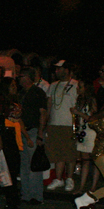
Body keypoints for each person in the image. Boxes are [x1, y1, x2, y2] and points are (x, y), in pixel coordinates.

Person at [0, 76, 32, 209]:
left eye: (15, 85)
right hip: (4, 135)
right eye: (12, 86)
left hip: (12, 135)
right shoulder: (0, 100)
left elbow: (18, 120)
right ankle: (11, 201)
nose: (15, 88)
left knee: (12, 169)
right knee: (9, 169)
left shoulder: (13, 100)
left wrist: (27, 137)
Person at [44, 60, 79, 192]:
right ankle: (58, 178)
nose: (57, 71)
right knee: (57, 153)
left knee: (70, 152)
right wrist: (46, 122)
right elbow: (49, 105)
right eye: (56, 69)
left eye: (60, 69)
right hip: (54, 123)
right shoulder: (53, 85)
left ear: (67, 70)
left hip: (69, 123)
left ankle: (69, 178)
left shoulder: (76, 85)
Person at [18, 67, 48, 205]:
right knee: (24, 165)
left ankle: (36, 196)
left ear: (28, 77)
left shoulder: (37, 92)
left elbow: (43, 113)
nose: (19, 79)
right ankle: (26, 194)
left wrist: (40, 133)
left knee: (34, 165)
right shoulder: (21, 93)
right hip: (22, 131)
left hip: (33, 130)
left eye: (21, 76)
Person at [70, 78, 100, 194]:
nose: (78, 89)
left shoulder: (92, 100)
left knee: (95, 160)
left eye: (80, 87)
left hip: (91, 132)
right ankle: (82, 187)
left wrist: (78, 113)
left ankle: (93, 187)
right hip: (82, 131)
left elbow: (92, 118)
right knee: (85, 161)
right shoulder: (79, 100)